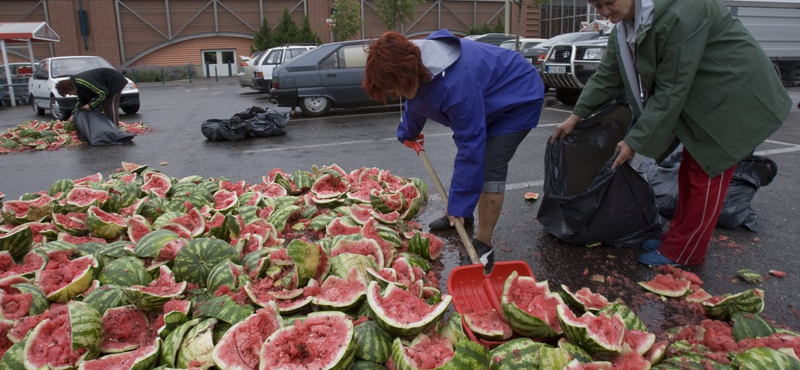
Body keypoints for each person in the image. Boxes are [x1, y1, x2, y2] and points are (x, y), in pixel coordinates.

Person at [551, 0, 791, 266]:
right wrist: (576, 115)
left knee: (707, 174)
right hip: (704, 97)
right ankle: (677, 238)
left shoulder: (682, 12)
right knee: (690, 170)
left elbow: (671, 88)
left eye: (609, 2)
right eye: (597, 6)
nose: (605, 13)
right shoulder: (627, 26)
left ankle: (686, 252)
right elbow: (609, 73)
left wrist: (635, 141)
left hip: (735, 97)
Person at [363, 29, 545, 268]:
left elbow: (471, 145)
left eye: (394, 87)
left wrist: (457, 204)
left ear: (408, 72)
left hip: (518, 98)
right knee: (471, 165)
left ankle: (483, 244)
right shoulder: (416, 66)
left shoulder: (454, 85)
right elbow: (416, 101)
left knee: (489, 166)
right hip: (486, 97)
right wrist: (408, 131)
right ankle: (463, 216)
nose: (394, 93)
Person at [55, 67, 128, 124]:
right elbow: (82, 101)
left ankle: (115, 131)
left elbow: (103, 93)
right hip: (106, 85)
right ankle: (110, 128)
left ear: (70, 88)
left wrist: (90, 105)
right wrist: (74, 114)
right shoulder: (77, 87)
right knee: (105, 105)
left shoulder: (82, 81)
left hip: (114, 81)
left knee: (109, 105)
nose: (70, 95)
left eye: (69, 93)